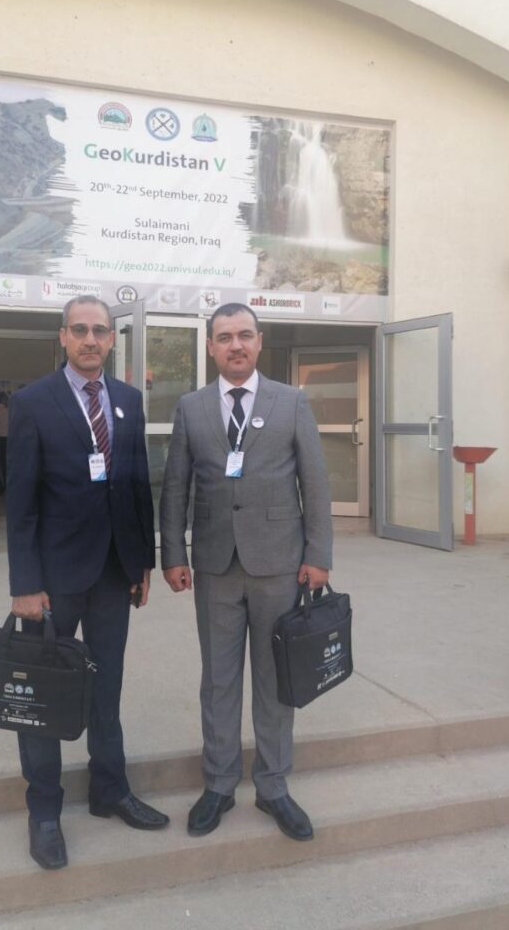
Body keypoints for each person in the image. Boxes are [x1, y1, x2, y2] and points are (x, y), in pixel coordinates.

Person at [6, 295, 168, 871]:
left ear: (112, 339)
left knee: (106, 686)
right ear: (63, 337)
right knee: (45, 694)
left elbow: (137, 486)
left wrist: (142, 562)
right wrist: (25, 584)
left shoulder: (127, 400)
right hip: (52, 581)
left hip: (113, 575)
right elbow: (20, 502)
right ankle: (45, 812)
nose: (91, 339)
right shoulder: (32, 403)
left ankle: (110, 790)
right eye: (80, 330)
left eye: (100, 330)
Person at [159, 302, 333, 841]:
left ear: (259, 342)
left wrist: (318, 555)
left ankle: (274, 786)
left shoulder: (291, 401)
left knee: (276, 681)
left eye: (244, 335)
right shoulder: (191, 407)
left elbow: (315, 483)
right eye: (225, 337)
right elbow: (176, 486)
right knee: (219, 679)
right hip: (214, 566)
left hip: (281, 564)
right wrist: (173, 554)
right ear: (211, 347)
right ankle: (218, 784)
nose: (235, 345)